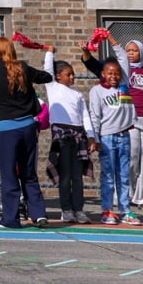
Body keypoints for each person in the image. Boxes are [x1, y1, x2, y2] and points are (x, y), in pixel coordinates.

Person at [0, 37, 52, 229]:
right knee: (28, 173)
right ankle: (39, 214)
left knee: (9, 174)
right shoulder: (22, 68)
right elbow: (47, 77)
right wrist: (49, 54)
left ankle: (11, 218)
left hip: (6, 129)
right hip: (28, 127)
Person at [85, 59, 140, 226]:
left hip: (125, 136)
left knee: (124, 175)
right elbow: (95, 115)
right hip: (107, 137)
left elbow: (123, 57)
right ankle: (107, 209)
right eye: (110, 73)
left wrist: (110, 38)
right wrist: (95, 137)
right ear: (103, 74)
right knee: (108, 176)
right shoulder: (97, 91)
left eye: (116, 73)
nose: (114, 76)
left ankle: (125, 210)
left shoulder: (124, 86)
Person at [42, 58, 90, 225]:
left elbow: (85, 116)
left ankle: (79, 209)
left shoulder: (78, 94)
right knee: (65, 176)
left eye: (73, 75)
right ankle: (66, 210)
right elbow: (47, 68)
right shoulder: (53, 87)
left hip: (78, 136)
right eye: (68, 74)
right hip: (62, 137)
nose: (72, 77)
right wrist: (49, 52)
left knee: (77, 176)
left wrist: (90, 136)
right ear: (58, 76)